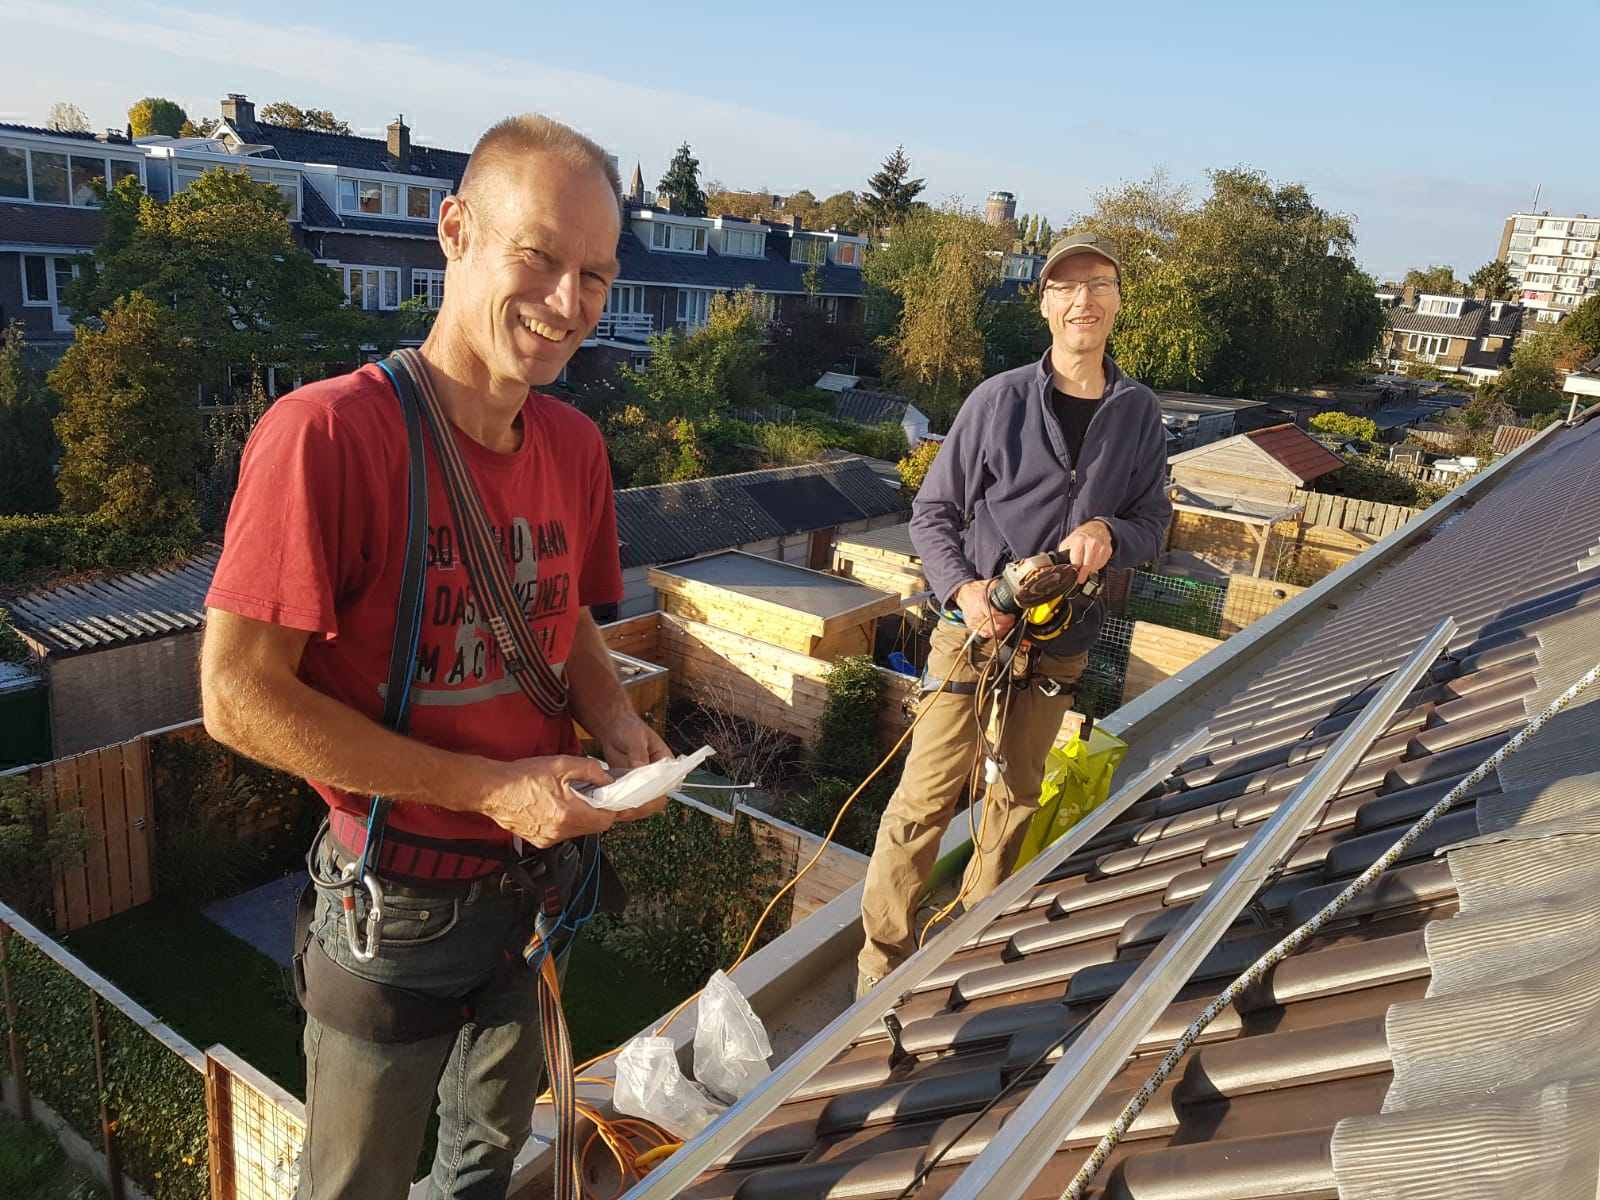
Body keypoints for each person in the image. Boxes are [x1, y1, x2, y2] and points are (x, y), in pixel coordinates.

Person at [199, 114, 671, 1200]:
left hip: (532, 894)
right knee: (356, 1186)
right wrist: (492, 790)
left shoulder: (574, 447)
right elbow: (235, 696)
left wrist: (615, 722)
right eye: (538, 256)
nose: (568, 302)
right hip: (395, 907)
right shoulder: (327, 436)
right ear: (454, 230)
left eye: (596, 275)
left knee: (483, 1164)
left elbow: (564, 615)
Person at [857, 232, 1173, 996]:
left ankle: (967, 946)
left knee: (1017, 792)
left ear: (1118, 301)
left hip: (1062, 639)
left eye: (1098, 285)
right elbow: (933, 512)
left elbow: (1153, 524)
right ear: (1045, 304)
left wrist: (1109, 533)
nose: (1083, 300)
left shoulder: (1138, 413)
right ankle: (878, 972)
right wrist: (966, 592)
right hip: (974, 632)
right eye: (1066, 287)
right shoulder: (998, 401)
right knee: (926, 797)